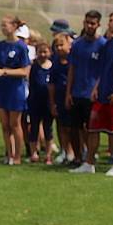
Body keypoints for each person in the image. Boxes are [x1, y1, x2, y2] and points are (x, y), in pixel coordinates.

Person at [71, 10, 113, 176]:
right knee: (93, 129)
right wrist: (96, 88)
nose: (109, 23)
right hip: (102, 94)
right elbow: (103, 69)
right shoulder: (108, 44)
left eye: (112, 20)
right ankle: (89, 163)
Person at [0, 15, 30, 165]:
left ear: (14, 26)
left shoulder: (21, 46)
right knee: (4, 124)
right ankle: (9, 154)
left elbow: (25, 71)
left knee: (15, 124)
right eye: (1, 25)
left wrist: (4, 72)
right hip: (1, 89)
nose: (3, 28)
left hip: (15, 90)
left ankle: (17, 156)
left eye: (6, 25)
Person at [66, 10, 105, 168]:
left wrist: (97, 89)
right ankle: (77, 157)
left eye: (93, 23)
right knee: (73, 127)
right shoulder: (77, 44)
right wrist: (68, 92)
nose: (89, 26)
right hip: (76, 92)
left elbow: (104, 71)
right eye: (87, 22)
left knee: (91, 129)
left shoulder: (103, 45)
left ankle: (90, 157)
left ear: (98, 25)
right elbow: (72, 69)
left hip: (92, 94)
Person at [49, 33, 75, 163]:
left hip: (70, 97)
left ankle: (73, 150)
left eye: (61, 45)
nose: (59, 48)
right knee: (61, 125)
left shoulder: (72, 60)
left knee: (71, 127)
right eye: (56, 46)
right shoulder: (55, 62)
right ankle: (64, 150)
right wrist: (52, 102)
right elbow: (52, 84)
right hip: (58, 97)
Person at [27, 42, 54, 164]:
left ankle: (48, 155)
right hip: (34, 101)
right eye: (40, 52)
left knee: (48, 128)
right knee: (34, 128)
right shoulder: (33, 66)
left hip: (48, 102)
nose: (43, 55)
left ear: (50, 52)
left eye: (45, 52)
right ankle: (34, 153)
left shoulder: (53, 66)